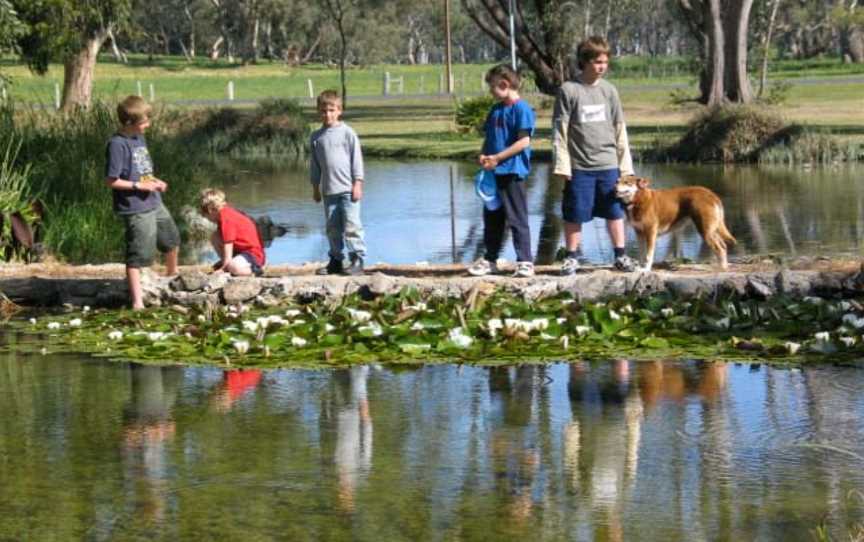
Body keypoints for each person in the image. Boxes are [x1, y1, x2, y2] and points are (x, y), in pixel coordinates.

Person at [552, 36, 637, 275]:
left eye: (605, 62)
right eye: (598, 62)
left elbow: (620, 129)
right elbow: (560, 131)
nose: (602, 66)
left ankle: (620, 256)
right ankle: (571, 257)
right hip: (579, 168)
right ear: (585, 61)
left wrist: (625, 167)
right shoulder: (569, 90)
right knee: (574, 213)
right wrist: (563, 165)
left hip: (608, 165)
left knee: (615, 212)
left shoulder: (610, 91)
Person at [105, 95, 180, 310]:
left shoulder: (140, 138)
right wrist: (140, 187)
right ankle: (138, 302)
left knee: (171, 239)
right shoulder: (117, 145)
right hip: (135, 207)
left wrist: (155, 181)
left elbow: (142, 171)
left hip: (154, 201)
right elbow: (111, 180)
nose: (148, 124)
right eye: (144, 121)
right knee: (139, 254)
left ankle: (172, 276)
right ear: (129, 123)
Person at [468, 64, 537, 278]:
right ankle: (491, 259)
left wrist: (498, 158)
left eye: (492, 87)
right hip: (493, 174)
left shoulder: (522, 109)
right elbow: (489, 139)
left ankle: (525, 261)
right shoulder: (495, 110)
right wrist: (484, 155)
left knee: (517, 218)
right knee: (492, 218)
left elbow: (523, 141)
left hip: (512, 172)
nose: (490, 92)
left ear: (504, 84)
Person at [310, 90, 366, 276]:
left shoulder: (347, 133)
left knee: (352, 226)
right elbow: (315, 165)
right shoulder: (316, 137)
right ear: (319, 111)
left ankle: (357, 259)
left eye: (332, 110)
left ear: (339, 110)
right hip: (329, 191)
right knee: (332, 228)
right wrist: (315, 187)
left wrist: (357, 183)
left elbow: (356, 159)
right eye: (324, 111)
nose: (328, 114)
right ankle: (335, 260)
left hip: (348, 191)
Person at [198, 187, 266, 276]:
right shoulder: (224, 214)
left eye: (206, 215)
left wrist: (224, 268)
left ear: (211, 210)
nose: (207, 219)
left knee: (234, 267)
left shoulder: (227, 218)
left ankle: (256, 270)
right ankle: (227, 263)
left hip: (253, 254)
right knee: (215, 236)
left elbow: (228, 244)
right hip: (240, 251)